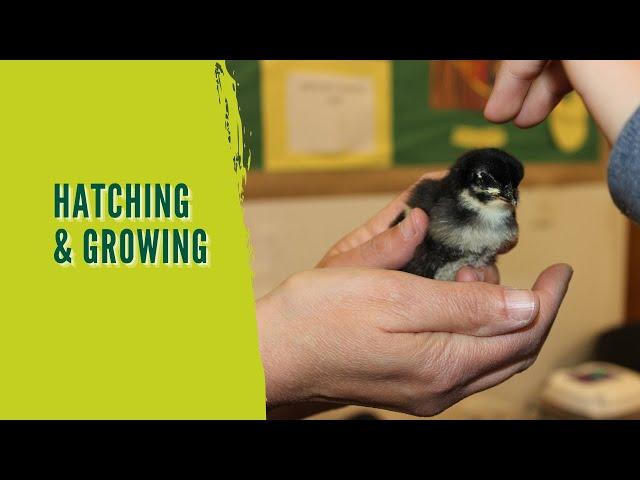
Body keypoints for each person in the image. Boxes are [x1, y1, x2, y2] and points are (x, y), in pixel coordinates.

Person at [257, 60, 640, 419]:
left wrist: (302, 361)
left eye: (511, 190)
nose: (507, 198)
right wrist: (291, 356)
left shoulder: (495, 217)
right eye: (489, 188)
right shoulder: (442, 212)